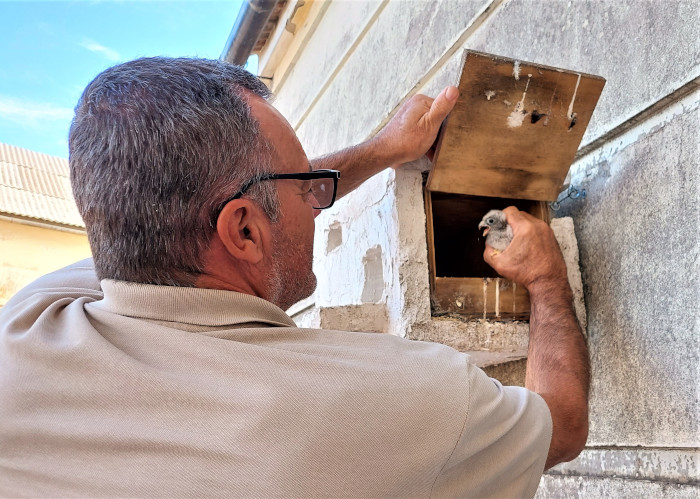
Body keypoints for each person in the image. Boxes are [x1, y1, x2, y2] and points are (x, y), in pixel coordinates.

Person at [0, 57, 588, 497]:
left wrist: (383, 150)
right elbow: (558, 427)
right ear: (245, 233)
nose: (317, 201)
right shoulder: (396, 401)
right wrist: (544, 281)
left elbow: (246, 199)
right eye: (303, 186)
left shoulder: (25, 334)